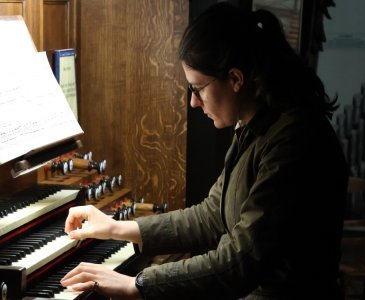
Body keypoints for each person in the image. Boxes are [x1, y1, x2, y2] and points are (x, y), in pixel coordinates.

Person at [60, 2, 349, 300]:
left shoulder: (292, 140)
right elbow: (211, 215)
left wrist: (136, 284)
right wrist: (118, 228)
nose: (193, 103)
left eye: (197, 89)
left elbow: (241, 262)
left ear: (236, 79)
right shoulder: (254, 124)